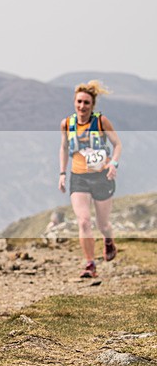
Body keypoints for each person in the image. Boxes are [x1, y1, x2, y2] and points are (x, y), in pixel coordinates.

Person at [59, 80, 121, 278]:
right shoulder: (67, 124)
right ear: (74, 102)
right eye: (79, 102)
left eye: (86, 103)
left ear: (92, 105)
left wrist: (113, 164)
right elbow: (63, 148)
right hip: (79, 178)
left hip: (102, 176)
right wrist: (62, 173)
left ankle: (109, 241)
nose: (82, 106)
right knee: (84, 221)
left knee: (103, 225)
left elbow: (117, 144)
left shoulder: (101, 121)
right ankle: (90, 264)